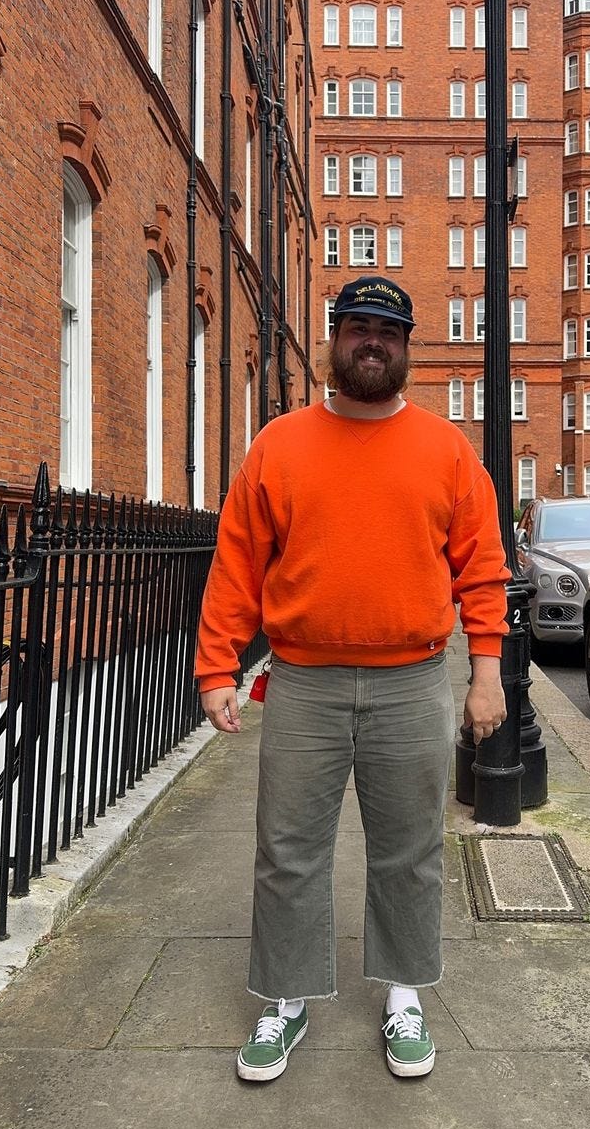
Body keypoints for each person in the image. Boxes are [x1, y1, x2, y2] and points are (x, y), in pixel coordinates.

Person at [195, 274, 509, 1083]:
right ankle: (286, 1000)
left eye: (389, 331)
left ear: (408, 347)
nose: (373, 341)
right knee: (287, 850)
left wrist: (486, 674)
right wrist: (216, 666)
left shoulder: (445, 449)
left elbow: (482, 570)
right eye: (358, 326)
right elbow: (238, 561)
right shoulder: (279, 443)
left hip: (412, 682)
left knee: (409, 852)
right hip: (303, 682)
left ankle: (403, 994)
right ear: (334, 338)